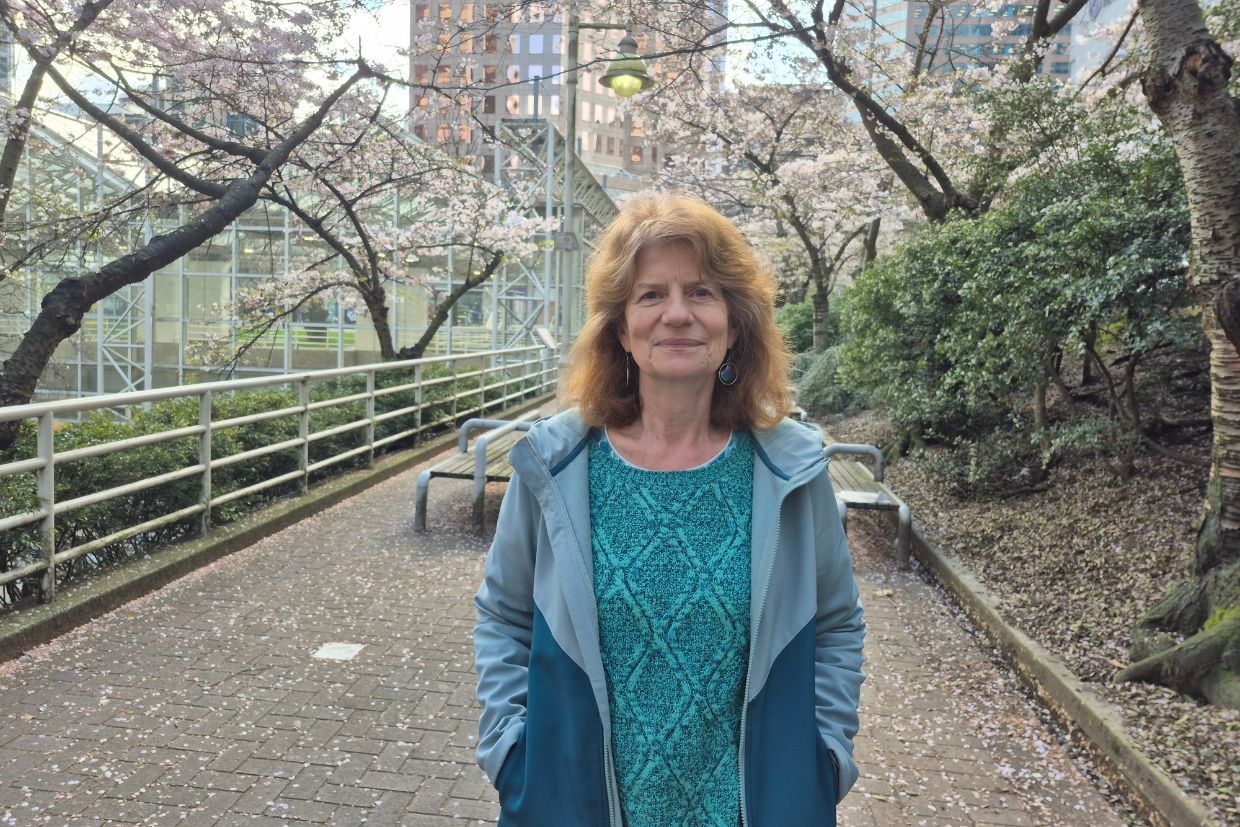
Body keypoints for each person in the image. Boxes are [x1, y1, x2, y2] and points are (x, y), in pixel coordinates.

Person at [473, 193, 865, 827]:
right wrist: (510, 751)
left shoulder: (789, 474)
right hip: (574, 804)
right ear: (621, 330)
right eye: (651, 295)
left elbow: (838, 623)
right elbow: (504, 614)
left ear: (734, 325)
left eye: (702, 293)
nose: (677, 314)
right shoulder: (556, 464)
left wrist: (824, 759)